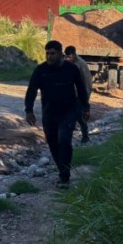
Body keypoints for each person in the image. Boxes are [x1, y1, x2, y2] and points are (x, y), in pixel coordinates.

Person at [24, 40, 90, 189]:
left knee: (64, 140)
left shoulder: (71, 69)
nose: (49, 56)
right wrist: (29, 110)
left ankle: (65, 177)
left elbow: (81, 89)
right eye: (47, 53)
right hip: (49, 112)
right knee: (53, 144)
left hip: (69, 111)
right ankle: (62, 170)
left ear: (60, 54)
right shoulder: (40, 70)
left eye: (53, 53)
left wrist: (86, 107)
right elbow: (31, 91)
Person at [64, 45, 93, 143]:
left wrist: (86, 100)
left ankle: (85, 136)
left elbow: (87, 82)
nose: (67, 58)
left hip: (79, 96)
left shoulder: (81, 64)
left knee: (79, 117)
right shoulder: (66, 62)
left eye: (69, 57)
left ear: (74, 55)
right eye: (66, 56)